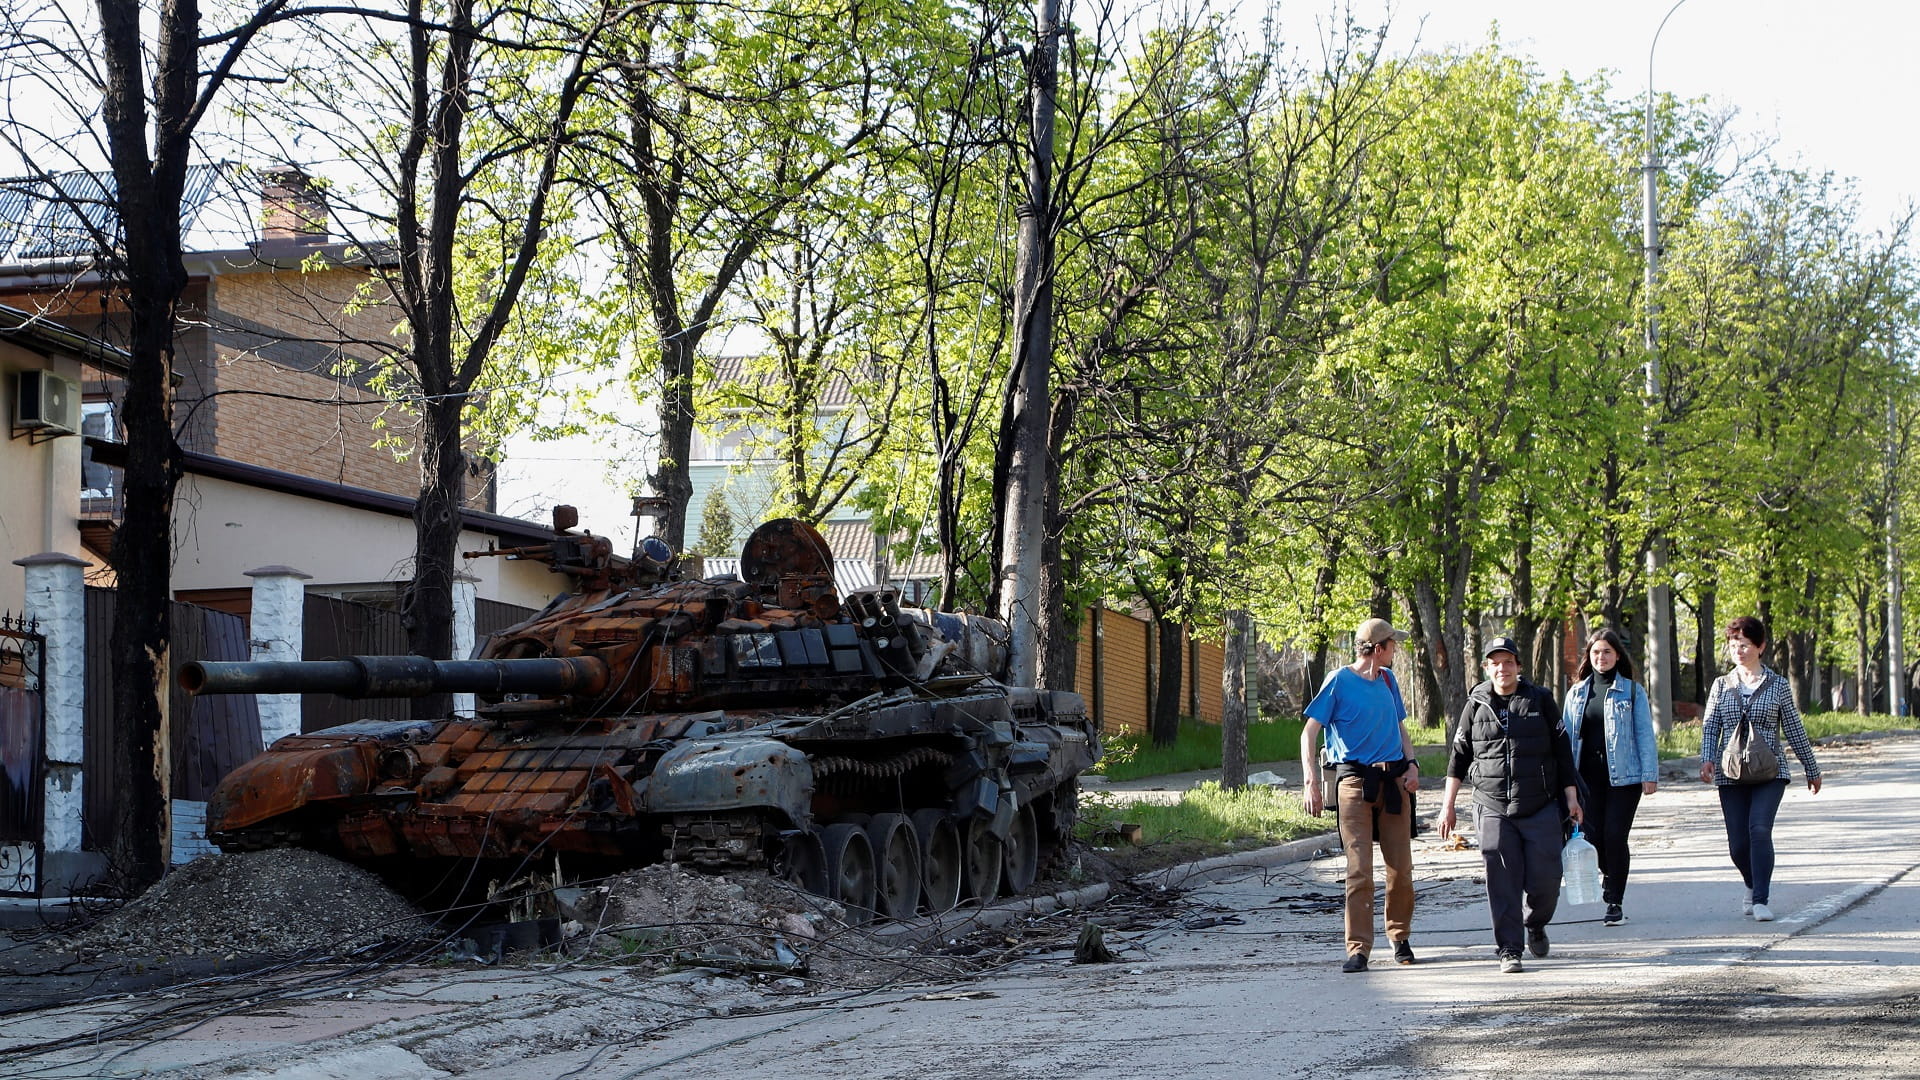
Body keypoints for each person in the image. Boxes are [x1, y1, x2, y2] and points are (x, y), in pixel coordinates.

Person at [1437, 636, 1583, 973]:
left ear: (1519, 666)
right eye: (1495, 663)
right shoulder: (1475, 704)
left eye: (1508, 662)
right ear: (1486, 668)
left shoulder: (1541, 700)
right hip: (1492, 804)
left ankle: (1535, 922)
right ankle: (1509, 949)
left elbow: (1563, 753)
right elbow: (1458, 759)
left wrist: (1571, 797)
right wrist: (1448, 806)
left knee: (1546, 880)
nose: (1502, 668)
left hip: (1541, 803)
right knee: (1500, 877)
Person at [1300, 617, 1421, 973]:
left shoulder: (1388, 680)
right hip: (1354, 784)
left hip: (1394, 783)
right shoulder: (1339, 681)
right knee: (1359, 871)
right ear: (1378, 648)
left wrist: (1412, 764)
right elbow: (1309, 734)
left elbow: (1400, 727)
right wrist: (1310, 782)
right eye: (1392, 645)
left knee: (1401, 868)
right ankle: (1358, 949)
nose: (1396, 650)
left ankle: (1400, 937)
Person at [1698, 615, 1822, 922]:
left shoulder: (1777, 685)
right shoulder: (1721, 685)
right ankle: (1752, 884)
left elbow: (1793, 728)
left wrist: (1811, 767)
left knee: (1759, 830)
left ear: (1761, 646)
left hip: (1770, 772)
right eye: (1733, 645)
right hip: (1731, 772)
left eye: (1746, 645)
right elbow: (1711, 725)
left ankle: (1762, 899)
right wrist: (1707, 758)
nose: (1739, 650)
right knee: (1738, 844)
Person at [1562, 627, 1658, 927]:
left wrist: (1649, 773)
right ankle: (1609, 874)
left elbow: (1644, 734)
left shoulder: (1632, 691)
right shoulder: (1577, 693)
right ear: (1588, 657)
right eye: (1595, 652)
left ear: (1617, 656)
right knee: (1593, 838)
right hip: (1585, 779)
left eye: (1606, 652)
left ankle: (1614, 900)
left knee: (1615, 836)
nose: (1601, 657)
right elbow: (1564, 737)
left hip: (1624, 779)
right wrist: (1563, 780)